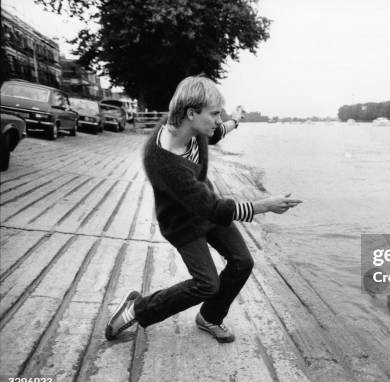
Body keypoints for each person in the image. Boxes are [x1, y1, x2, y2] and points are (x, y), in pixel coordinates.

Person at [105, 75, 301, 343]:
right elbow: (216, 209)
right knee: (207, 284)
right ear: (191, 112)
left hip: (204, 206)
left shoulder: (193, 128)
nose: (218, 120)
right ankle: (137, 308)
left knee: (242, 262)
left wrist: (236, 120)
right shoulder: (164, 162)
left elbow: (216, 132)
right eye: (215, 114)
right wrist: (264, 206)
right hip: (183, 223)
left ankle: (210, 317)